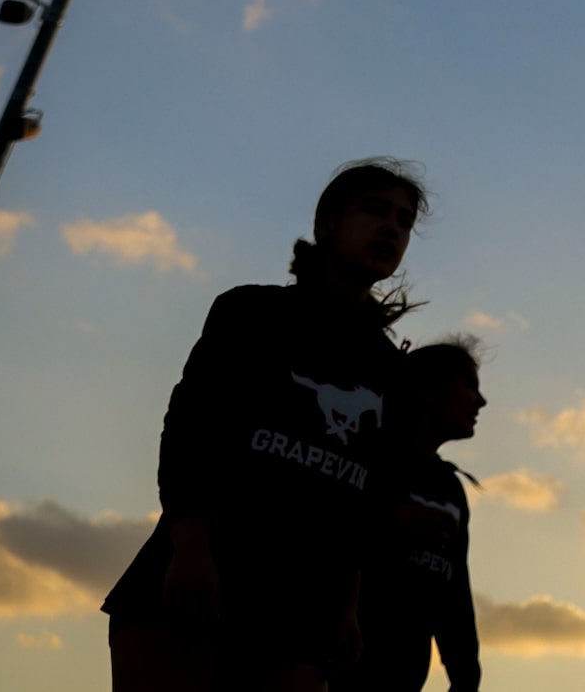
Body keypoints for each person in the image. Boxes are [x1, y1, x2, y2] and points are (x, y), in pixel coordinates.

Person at [104, 159, 426, 692]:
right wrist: (189, 548)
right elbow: (189, 432)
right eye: (375, 210)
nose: (392, 227)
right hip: (195, 585)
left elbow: (359, 503)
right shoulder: (250, 313)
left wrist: (348, 606)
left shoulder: (391, 370)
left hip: (299, 617)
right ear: (326, 223)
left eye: (405, 220)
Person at [346, 337, 488, 692]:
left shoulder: (450, 488)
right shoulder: (363, 457)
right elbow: (317, 530)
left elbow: (454, 594)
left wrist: (466, 677)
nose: (481, 401)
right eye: (470, 386)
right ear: (427, 392)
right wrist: (392, 520)